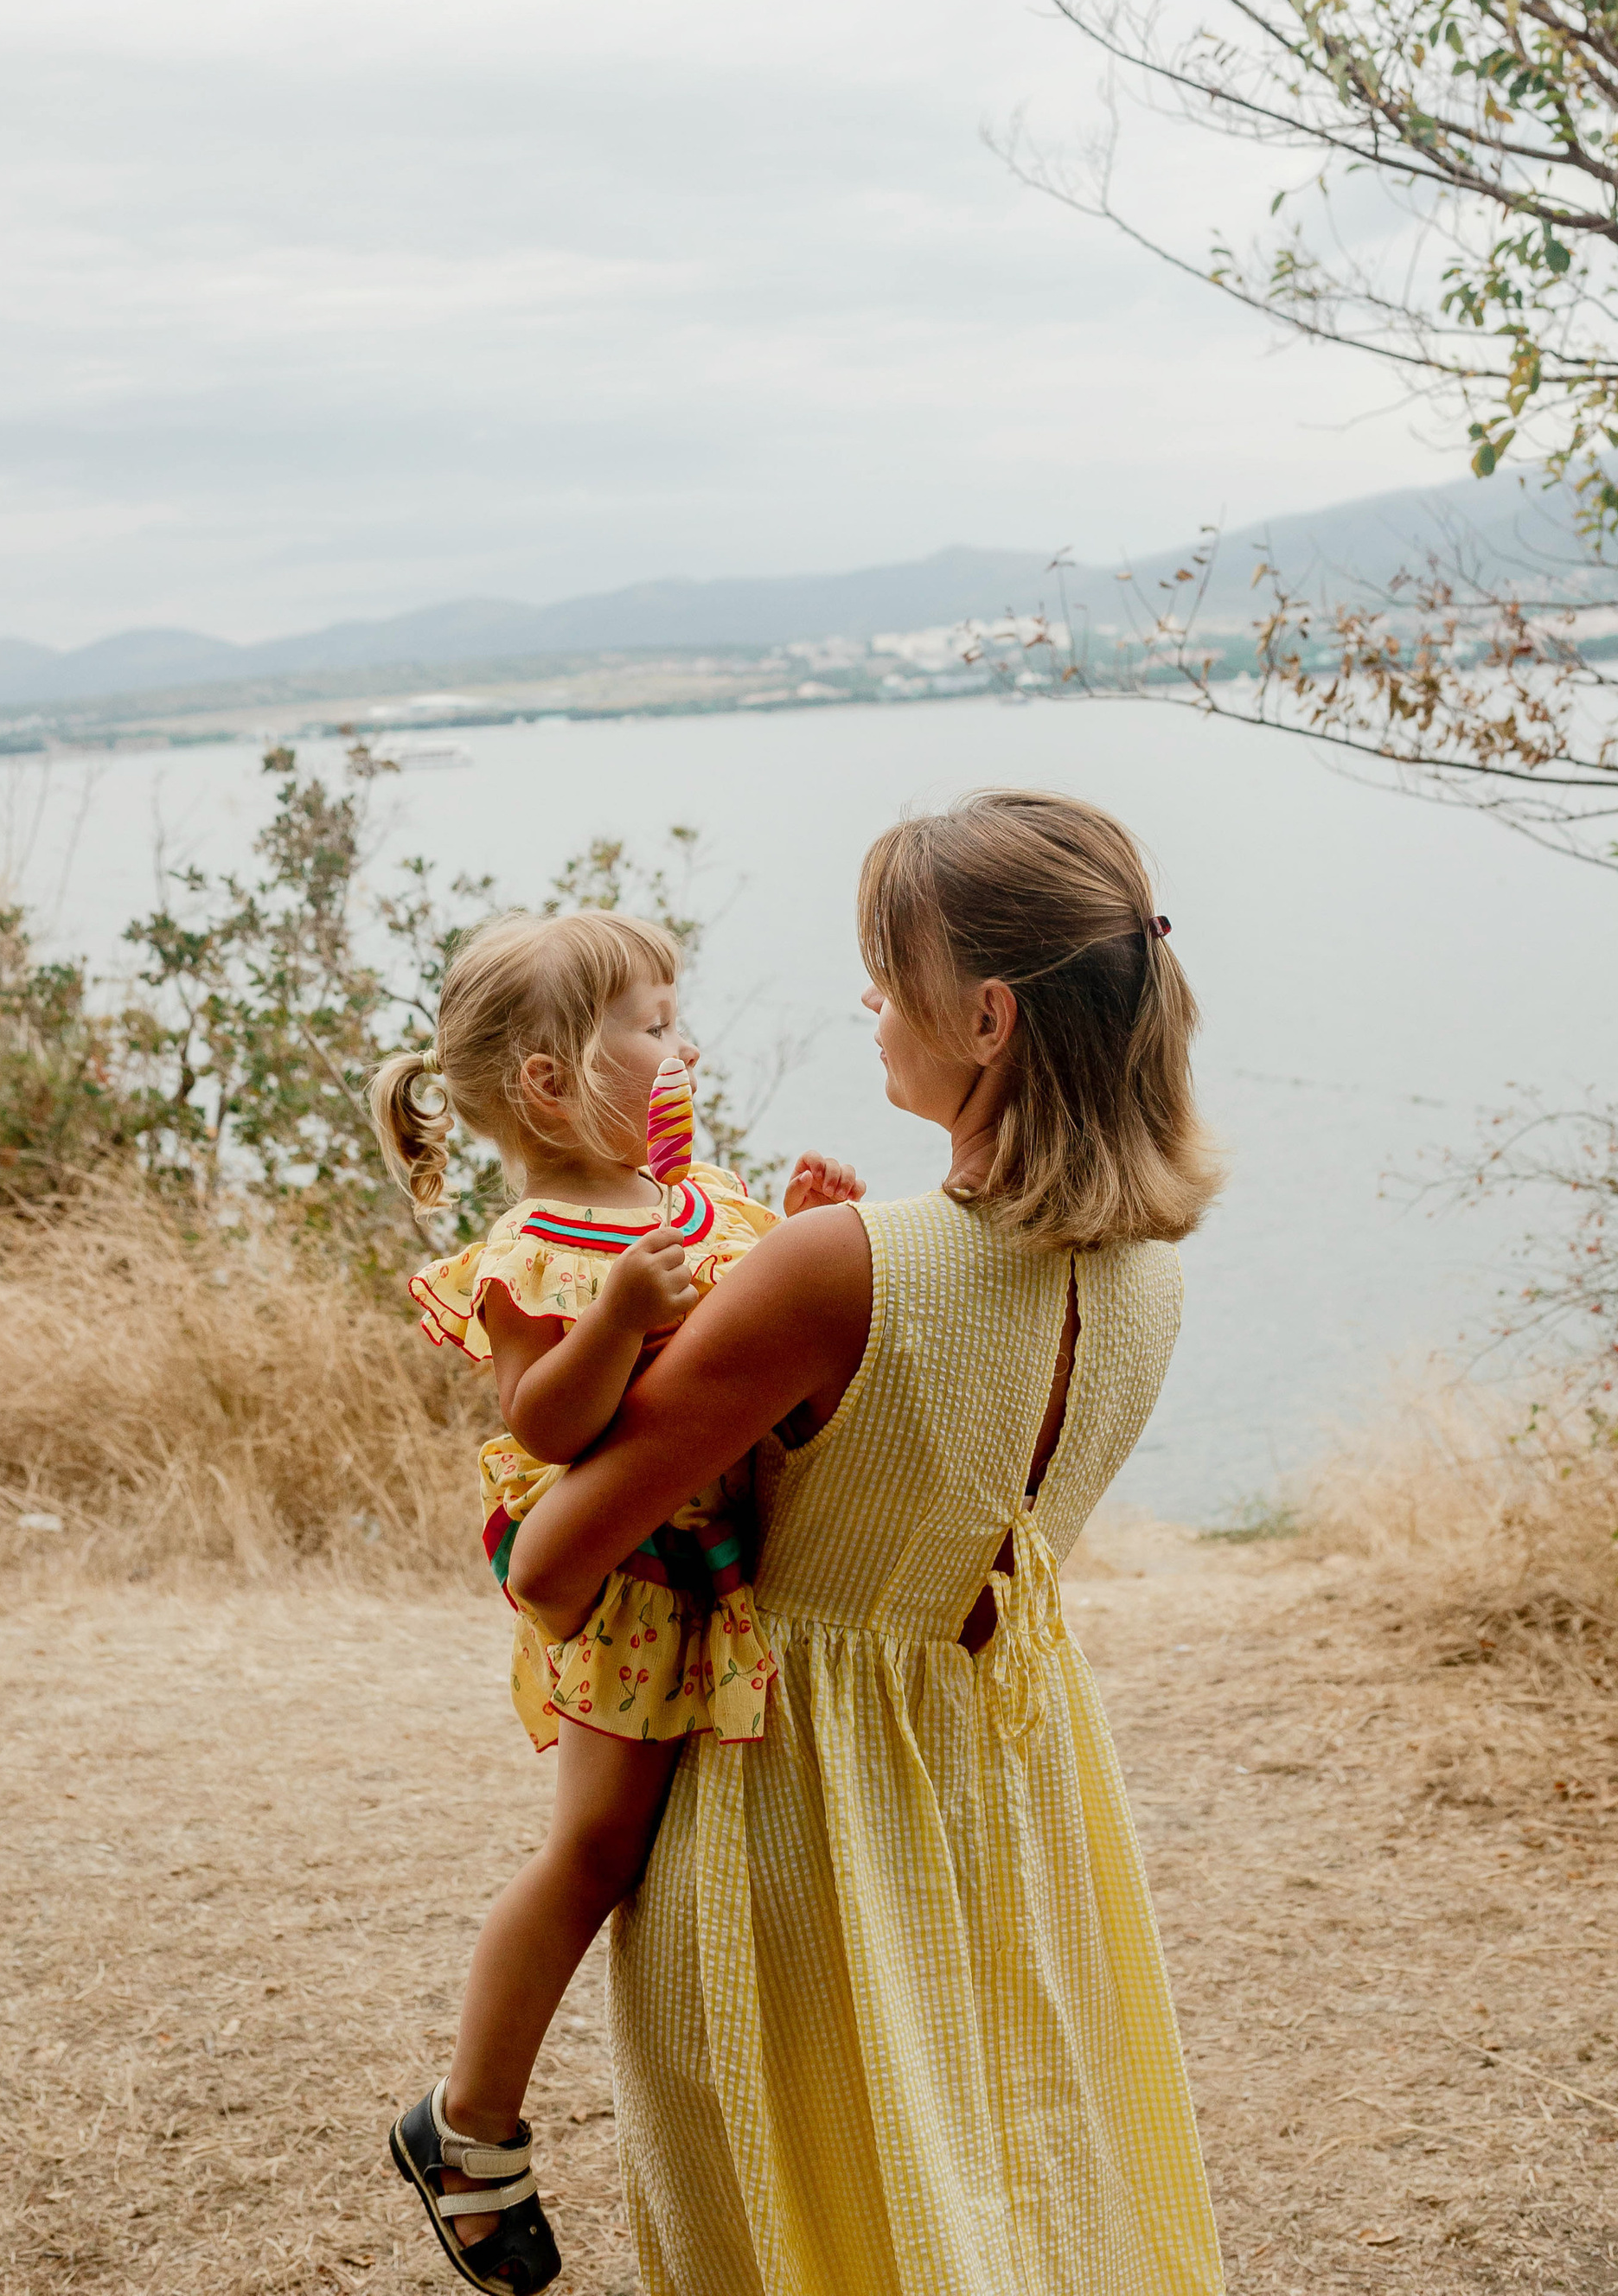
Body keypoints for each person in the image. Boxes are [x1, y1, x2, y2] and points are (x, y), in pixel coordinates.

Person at [512, 789, 1231, 2296]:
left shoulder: (842, 1267)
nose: (866, 998)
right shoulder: (1151, 1272)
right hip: (1007, 1798)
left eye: (883, 963)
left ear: (983, 1016)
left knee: (794, 2239)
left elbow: (554, 1566)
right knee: (999, 2216)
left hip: (794, 1809)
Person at [370, 909, 864, 2291]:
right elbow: (544, 1427)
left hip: (723, 1560)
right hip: (636, 1589)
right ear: (546, 1080)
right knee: (593, 1857)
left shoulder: (703, 1205)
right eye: (649, 1027)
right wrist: (616, 1320)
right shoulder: (535, 1246)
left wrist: (812, 1240)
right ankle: (467, 2124)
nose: (680, 1047)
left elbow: (765, 1352)